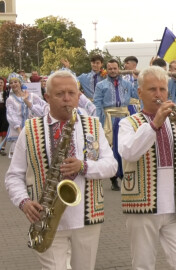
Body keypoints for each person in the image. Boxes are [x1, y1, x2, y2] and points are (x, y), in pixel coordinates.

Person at [4, 70, 117, 270]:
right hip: (46, 218)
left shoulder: (93, 125)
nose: (67, 99)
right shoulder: (30, 129)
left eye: (72, 93)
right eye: (60, 94)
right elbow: (14, 175)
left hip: (87, 218)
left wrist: (84, 166)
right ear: (47, 97)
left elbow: (112, 165)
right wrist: (24, 202)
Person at [118, 66, 176, 270]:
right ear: (139, 93)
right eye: (152, 89)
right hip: (142, 207)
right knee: (143, 265)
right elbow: (129, 152)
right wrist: (155, 124)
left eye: (162, 89)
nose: (159, 94)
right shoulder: (128, 123)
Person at [93, 59, 139, 191]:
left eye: (115, 68)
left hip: (124, 117)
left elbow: (136, 95)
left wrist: (135, 81)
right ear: (107, 69)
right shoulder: (101, 85)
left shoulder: (127, 84)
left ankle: (125, 176)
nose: (113, 71)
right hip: (109, 118)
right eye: (110, 68)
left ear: (119, 69)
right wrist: (98, 120)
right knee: (111, 148)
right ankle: (113, 178)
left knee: (126, 145)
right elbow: (97, 102)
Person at [5, 75, 46, 157]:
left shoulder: (32, 96)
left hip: (32, 130)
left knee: (33, 158)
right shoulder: (10, 100)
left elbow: (42, 110)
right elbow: (11, 115)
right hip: (18, 133)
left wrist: (25, 100)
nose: (13, 84)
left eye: (16, 82)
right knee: (18, 159)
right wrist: (20, 131)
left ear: (20, 83)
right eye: (11, 83)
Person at [0, 76, 8, 155]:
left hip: (5, 113)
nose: (0, 84)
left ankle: (2, 148)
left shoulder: (7, 93)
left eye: (1, 83)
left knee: (4, 130)